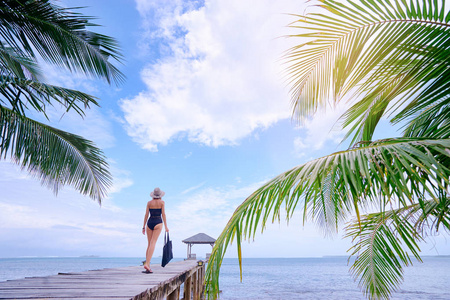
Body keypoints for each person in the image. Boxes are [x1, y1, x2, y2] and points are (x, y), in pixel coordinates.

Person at [142, 187, 169, 273]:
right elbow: (163, 214)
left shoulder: (149, 203)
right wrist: (166, 226)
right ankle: (147, 264)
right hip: (158, 222)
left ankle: (148, 266)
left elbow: (146, 215)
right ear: (160, 195)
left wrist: (143, 226)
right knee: (153, 243)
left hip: (149, 223)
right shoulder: (162, 202)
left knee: (149, 244)